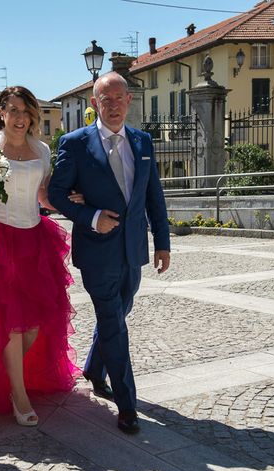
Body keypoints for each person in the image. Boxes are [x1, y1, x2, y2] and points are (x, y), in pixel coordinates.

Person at [0, 85, 82, 426]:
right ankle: (18, 396)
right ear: (1, 114)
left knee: (36, 324)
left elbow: (43, 196)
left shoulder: (42, 149)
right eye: (14, 110)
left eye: (26, 111)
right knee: (11, 324)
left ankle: (2, 375)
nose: (20, 118)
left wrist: (72, 202)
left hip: (34, 240)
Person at [48, 72, 171, 435]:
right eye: (106, 99)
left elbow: (153, 197)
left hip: (133, 250)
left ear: (129, 100)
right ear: (94, 104)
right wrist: (92, 216)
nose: (113, 105)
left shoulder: (143, 141)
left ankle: (93, 368)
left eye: (119, 98)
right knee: (114, 324)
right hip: (97, 252)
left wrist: (162, 242)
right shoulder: (75, 143)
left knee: (120, 313)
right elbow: (56, 194)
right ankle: (127, 404)